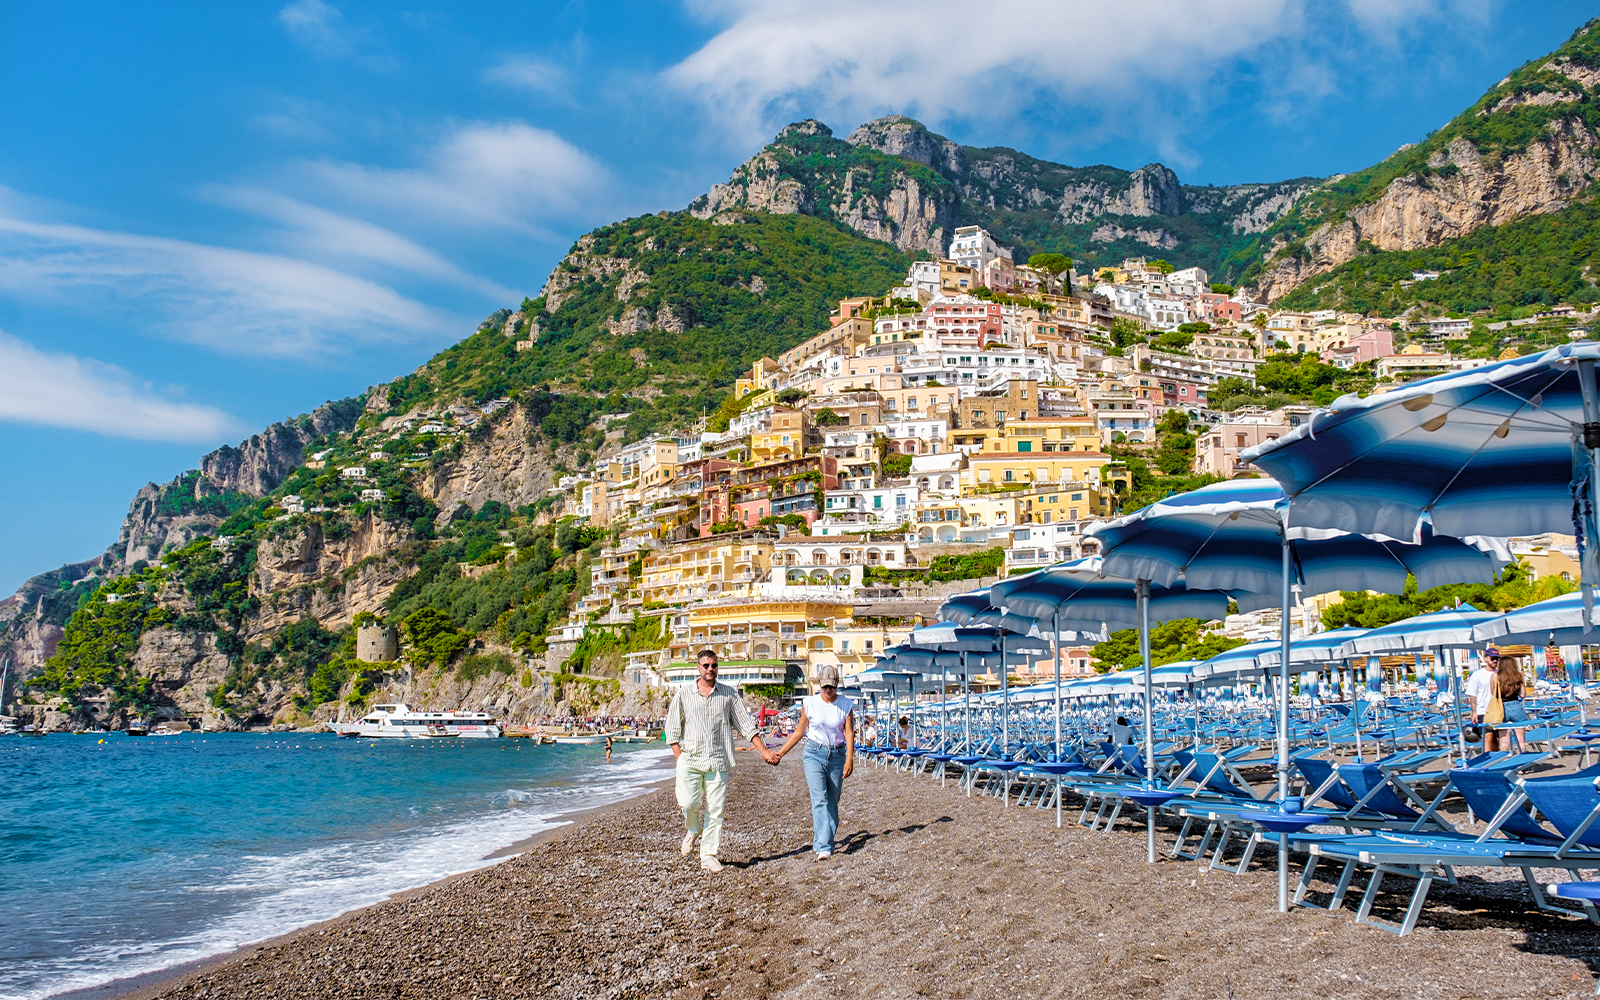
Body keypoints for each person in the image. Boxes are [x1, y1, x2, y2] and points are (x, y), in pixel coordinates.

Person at [665, 649, 777, 872]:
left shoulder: (729, 694)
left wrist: (763, 750)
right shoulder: (684, 694)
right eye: (705, 665)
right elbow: (672, 730)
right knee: (688, 803)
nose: (710, 669)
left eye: (713, 665)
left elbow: (745, 724)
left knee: (716, 810)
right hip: (690, 758)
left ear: (718, 667)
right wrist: (680, 760)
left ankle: (708, 855)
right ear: (698, 667)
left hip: (718, 760)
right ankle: (694, 829)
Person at [769, 665, 855, 860]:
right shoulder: (809, 703)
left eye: (831, 687)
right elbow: (799, 731)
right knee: (820, 799)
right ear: (819, 684)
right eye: (824, 687)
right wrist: (780, 753)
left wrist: (850, 758)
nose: (828, 691)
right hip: (814, 753)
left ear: (837, 685)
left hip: (837, 755)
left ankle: (822, 840)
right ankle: (824, 846)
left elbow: (849, 733)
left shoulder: (846, 704)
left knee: (833, 802)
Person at [1466, 648, 1502, 751]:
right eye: (1493, 658)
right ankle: (1487, 759)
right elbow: (1473, 695)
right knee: (1488, 736)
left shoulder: (1500, 673)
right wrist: (1474, 712)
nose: (1495, 661)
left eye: (1497, 659)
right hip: (1483, 711)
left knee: (1497, 738)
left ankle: (1496, 760)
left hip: (1498, 711)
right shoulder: (1477, 675)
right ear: (1485, 659)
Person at [1498, 654, 1530, 752]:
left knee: (1504, 742)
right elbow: (1523, 695)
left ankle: (1507, 762)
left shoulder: (1496, 677)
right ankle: (1522, 763)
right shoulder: (1518, 676)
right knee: (1521, 740)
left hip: (1501, 707)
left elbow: (1492, 693)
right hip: (1516, 705)